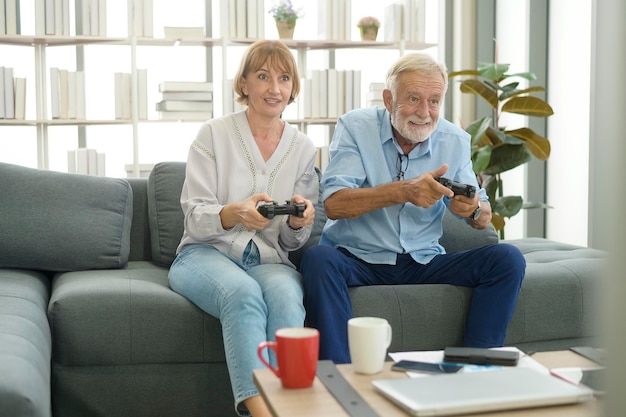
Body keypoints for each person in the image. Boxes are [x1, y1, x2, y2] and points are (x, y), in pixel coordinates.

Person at [300, 53, 526, 364]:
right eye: (413, 99)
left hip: (423, 261)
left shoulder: (454, 139)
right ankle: (341, 377)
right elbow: (336, 203)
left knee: (507, 258)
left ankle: (477, 366)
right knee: (318, 259)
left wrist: (472, 210)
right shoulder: (355, 127)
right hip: (358, 259)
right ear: (388, 99)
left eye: (434, 101)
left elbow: (482, 213)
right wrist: (404, 191)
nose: (424, 112)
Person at [168, 39, 318, 417]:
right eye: (263, 76)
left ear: (293, 88)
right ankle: (263, 412)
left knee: (286, 295)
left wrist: (299, 223)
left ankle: (291, 406)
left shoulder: (303, 147)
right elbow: (194, 217)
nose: (274, 88)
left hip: (269, 259)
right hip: (205, 254)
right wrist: (234, 213)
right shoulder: (213, 134)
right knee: (242, 293)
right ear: (245, 84)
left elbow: (289, 241)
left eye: (284, 79)